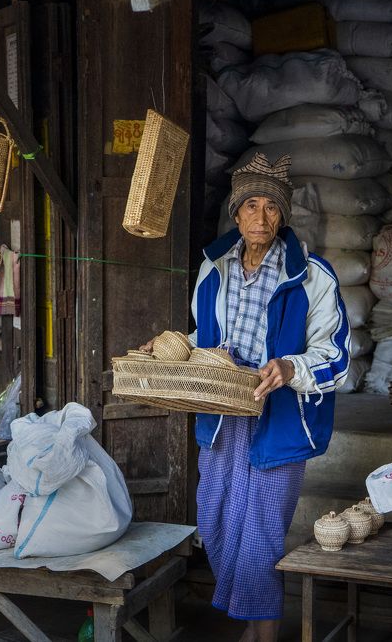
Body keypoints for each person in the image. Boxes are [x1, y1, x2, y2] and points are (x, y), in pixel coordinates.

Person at [143, 153, 349, 641]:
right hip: (222, 413)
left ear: (284, 214)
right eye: (250, 206)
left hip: (276, 417)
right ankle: (250, 620)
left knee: (261, 529)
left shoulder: (313, 276)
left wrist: (289, 367)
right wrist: (173, 347)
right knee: (214, 519)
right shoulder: (214, 267)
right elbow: (205, 335)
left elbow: (337, 353)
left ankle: (264, 633)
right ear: (235, 213)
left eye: (271, 208)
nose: (261, 217)